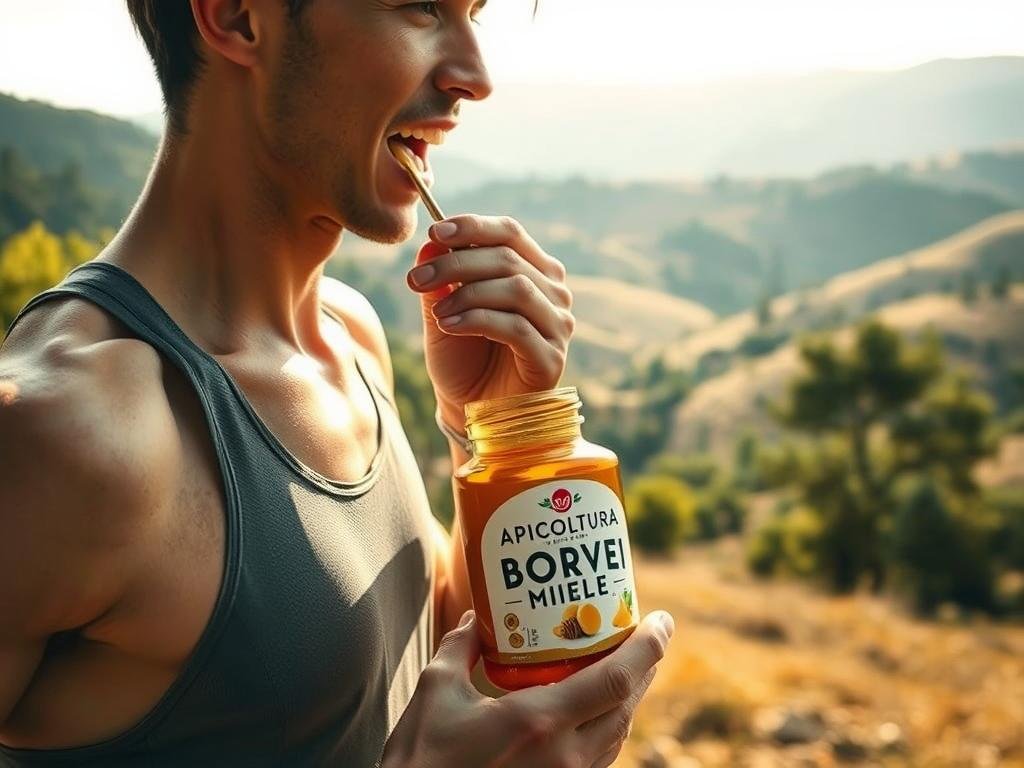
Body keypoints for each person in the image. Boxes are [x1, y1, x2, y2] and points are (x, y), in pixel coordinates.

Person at [0, 1, 674, 765]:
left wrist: (486, 426)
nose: (475, 78)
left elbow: (410, 657)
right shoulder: (64, 430)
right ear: (236, 17)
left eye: (473, 14)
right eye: (419, 7)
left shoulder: (351, 336)